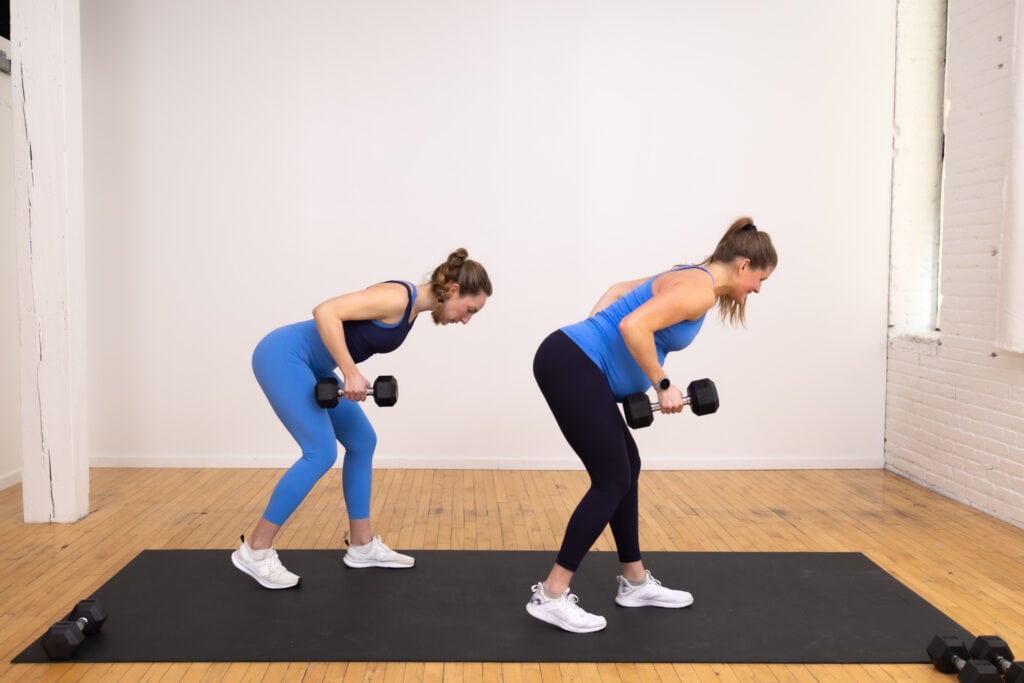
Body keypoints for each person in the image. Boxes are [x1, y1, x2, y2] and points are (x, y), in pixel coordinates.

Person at [526, 217, 777, 633]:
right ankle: (551, 594)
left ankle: (635, 581)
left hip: (572, 361)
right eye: (760, 279)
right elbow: (631, 324)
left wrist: (596, 344)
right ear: (744, 264)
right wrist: (661, 383)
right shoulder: (697, 290)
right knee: (611, 478)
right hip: (569, 364)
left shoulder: (687, 275)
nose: (757, 290)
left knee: (628, 466)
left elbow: (617, 291)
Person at [232, 248, 492, 589]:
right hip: (283, 355)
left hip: (313, 366)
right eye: (470, 310)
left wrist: (346, 371)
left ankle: (362, 545)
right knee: (320, 452)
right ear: (455, 290)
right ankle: (255, 550)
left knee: (362, 441)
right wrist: (351, 373)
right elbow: (325, 312)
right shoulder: (398, 297)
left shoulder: (411, 310)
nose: (466, 319)